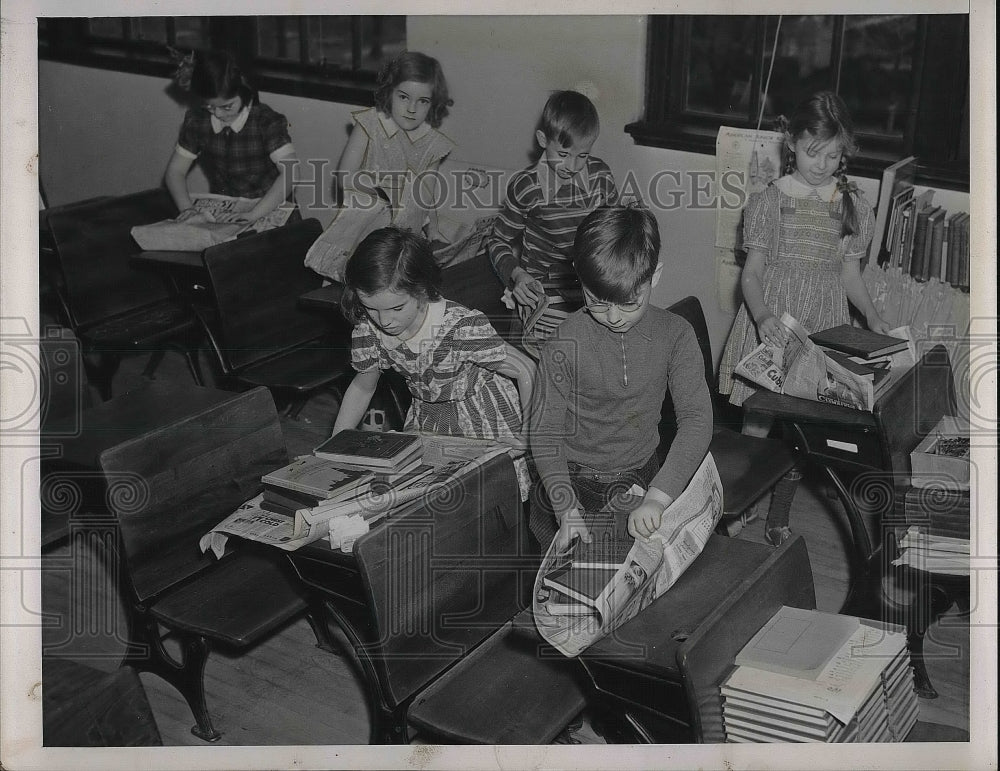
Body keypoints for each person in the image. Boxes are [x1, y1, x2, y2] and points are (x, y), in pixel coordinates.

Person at [718, 90, 890, 547]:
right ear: (790, 142)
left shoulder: (853, 204)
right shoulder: (768, 202)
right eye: (814, 153)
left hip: (821, 328)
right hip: (773, 327)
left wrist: (872, 316)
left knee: (803, 430)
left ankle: (779, 514)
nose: (823, 164)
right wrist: (762, 315)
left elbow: (849, 274)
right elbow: (751, 275)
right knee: (757, 424)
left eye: (834, 155)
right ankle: (742, 499)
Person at [529, 206, 713, 552]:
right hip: (567, 482)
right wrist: (565, 507)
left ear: (654, 276)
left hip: (643, 478)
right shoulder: (563, 342)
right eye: (597, 302)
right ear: (578, 277)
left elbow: (697, 419)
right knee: (568, 591)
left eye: (629, 303)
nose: (613, 317)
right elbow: (544, 432)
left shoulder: (676, 335)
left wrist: (659, 495)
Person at [331, 228, 536, 478]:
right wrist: (336, 445)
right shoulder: (369, 330)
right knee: (432, 495)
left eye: (397, 308)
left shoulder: (459, 328)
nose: (384, 321)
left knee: (487, 496)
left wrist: (526, 435)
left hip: (482, 421)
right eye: (371, 308)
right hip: (428, 419)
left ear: (421, 289)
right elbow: (363, 387)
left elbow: (527, 370)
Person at [306, 51, 455, 281]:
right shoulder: (370, 124)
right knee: (354, 280)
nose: (412, 109)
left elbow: (426, 194)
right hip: (363, 219)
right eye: (403, 97)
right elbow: (345, 177)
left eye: (423, 101)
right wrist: (385, 191)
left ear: (433, 103)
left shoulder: (433, 143)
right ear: (389, 92)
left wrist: (433, 231)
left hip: (403, 231)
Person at [487, 90, 619, 349]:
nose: (572, 166)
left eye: (582, 155)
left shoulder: (601, 175)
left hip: (590, 295)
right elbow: (497, 241)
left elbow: (615, 232)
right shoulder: (527, 187)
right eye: (563, 154)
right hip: (541, 298)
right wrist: (517, 275)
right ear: (542, 140)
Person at [165, 49, 298, 223]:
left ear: (245, 91)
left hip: (271, 208)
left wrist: (253, 215)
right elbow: (175, 171)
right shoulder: (197, 121)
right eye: (210, 107)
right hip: (227, 211)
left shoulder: (266, 122)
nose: (218, 114)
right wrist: (187, 209)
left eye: (227, 107)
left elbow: (291, 173)